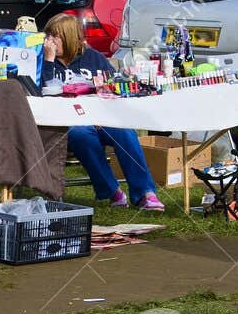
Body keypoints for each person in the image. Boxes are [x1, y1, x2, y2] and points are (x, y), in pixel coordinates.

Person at [43, 14, 164, 212]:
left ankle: (145, 193)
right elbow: (41, 91)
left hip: (100, 117)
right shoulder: (44, 61)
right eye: (47, 36)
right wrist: (48, 61)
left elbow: (112, 88)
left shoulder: (94, 58)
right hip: (66, 122)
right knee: (80, 134)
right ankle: (112, 191)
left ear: (69, 37)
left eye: (54, 36)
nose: (50, 42)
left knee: (124, 131)